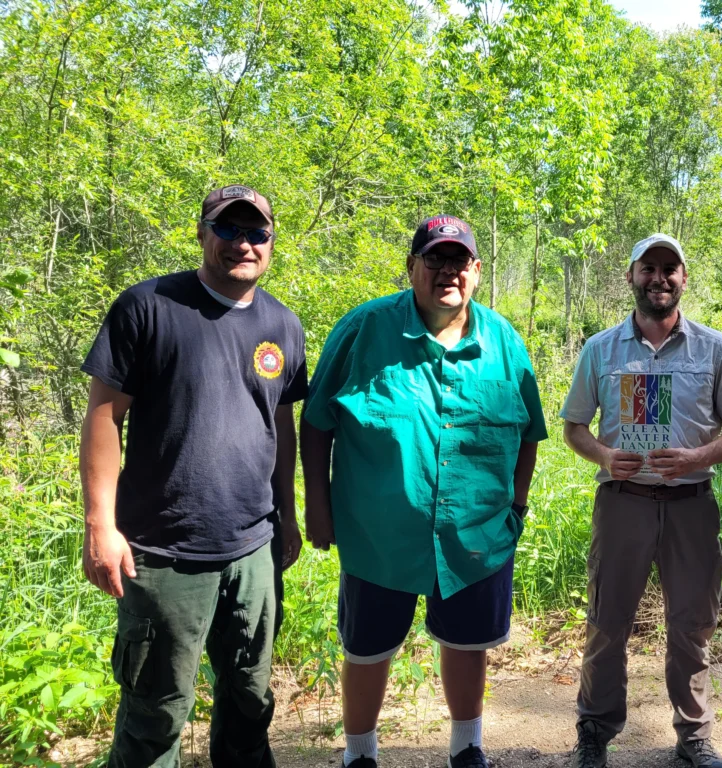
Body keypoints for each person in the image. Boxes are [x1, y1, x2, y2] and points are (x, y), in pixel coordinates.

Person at [301, 214, 547, 768]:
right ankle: (359, 755)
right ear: (412, 266)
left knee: (467, 645)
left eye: (459, 260)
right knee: (367, 648)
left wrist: (517, 506)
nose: (447, 271)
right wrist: (317, 507)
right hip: (378, 533)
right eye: (434, 258)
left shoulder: (504, 341)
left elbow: (529, 432)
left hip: (475, 534)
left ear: (477, 271)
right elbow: (316, 422)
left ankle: (467, 748)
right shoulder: (364, 330)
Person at [79, 184, 307, 768]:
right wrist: (100, 525)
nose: (243, 243)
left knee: (251, 700)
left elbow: (281, 426)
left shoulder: (283, 324)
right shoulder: (149, 306)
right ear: (202, 233)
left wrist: (288, 514)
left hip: (253, 549)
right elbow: (104, 416)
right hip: (163, 551)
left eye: (256, 232)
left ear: (271, 241)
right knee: (156, 714)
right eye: (228, 229)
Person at [560, 234, 722, 768]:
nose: (660, 278)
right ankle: (594, 732)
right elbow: (574, 427)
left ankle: (694, 736)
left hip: (691, 504)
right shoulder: (601, 349)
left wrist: (698, 457)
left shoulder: (714, 348)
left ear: (684, 279)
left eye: (670, 268)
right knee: (607, 622)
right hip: (622, 502)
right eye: (649, 267)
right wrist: (604, 455)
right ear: (631, 276)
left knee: (692, 623)